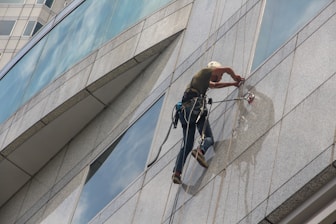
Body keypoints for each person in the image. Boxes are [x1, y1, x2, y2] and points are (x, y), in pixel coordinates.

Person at [172, 61, 245, 184]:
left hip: (184, 113)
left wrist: (232, 84)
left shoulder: (201, 81)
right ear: (215, 70)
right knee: (209, 137)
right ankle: (200, 151)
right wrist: (235, 77)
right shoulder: (204, 73)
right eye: (219, 76)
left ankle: (177, 173)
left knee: (187, 145)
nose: (220, 78)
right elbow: (226, 69)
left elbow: (215, 86)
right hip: (194, 108)